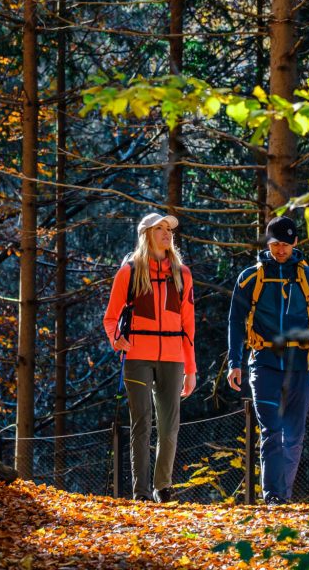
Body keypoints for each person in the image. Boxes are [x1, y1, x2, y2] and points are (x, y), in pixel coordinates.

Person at [226, 215, 309, 505]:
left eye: (286, 244)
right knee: (272, 429)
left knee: (294, 435)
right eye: (275, 244)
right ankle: (273, 496)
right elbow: (235, 322)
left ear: (295, 243)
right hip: (264, 362)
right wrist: (234, 363)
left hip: (301, 363)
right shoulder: (250, 277)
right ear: (268, 243)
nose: (281, 250)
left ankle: (282, 495)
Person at [103, 212, 197, 503]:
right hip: (138, 357)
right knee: (141, 423)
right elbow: (111, 317)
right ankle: (141, 492)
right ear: (146, 235)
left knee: (170, 426)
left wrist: (191, 369)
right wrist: (116, 340)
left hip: (173, 358)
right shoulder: (129, 272)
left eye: (168, 228)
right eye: (160, 228)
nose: (167, 233)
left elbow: (189, 325)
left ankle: (162, 487)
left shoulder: (182, 274)